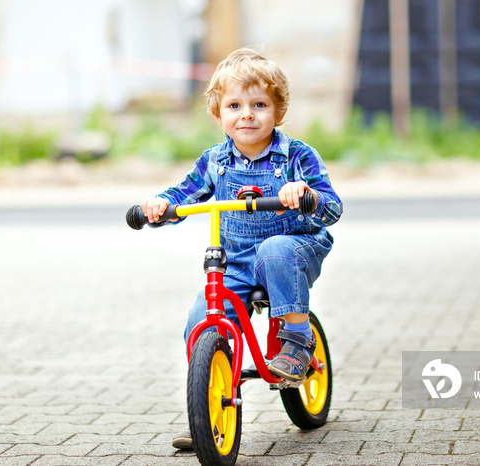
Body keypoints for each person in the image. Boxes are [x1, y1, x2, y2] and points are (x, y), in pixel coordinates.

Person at [140, 48, 342, 449]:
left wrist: (305, 195)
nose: (247, 114)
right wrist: (161, 206)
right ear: (219, 115)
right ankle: (210, 409)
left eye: (259, 104)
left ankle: (298, 341)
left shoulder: (297, 157)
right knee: (201, 320)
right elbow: (185, 194)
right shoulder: (215, 160)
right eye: (235, 105)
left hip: (294, 248)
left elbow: (332, 207)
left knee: (274, 250)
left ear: (278, 112)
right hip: (234, 263)